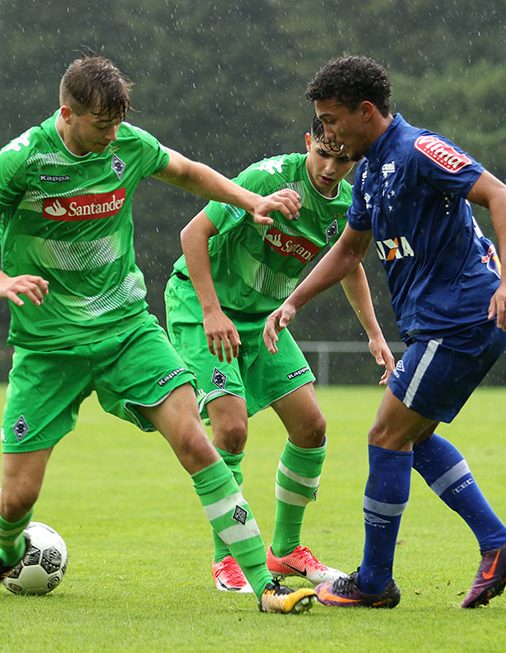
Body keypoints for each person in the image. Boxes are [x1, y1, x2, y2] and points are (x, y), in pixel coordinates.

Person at [0, 53, 317, 614]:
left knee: (196, 439)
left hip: (126, 330)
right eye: (100, 125)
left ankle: (266, 584)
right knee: (18, 496)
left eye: (118, 123)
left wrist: (252, 200)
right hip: (49, 347)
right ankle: (7, 548)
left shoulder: (126, 145)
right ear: (66, 113)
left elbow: (188, 171)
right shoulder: (19, 161)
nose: (112, 135)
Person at [263, 55, 506, 609]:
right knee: (415, 436)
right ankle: (497, 542)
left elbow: (503, 197)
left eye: (332, 119)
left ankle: (373, 582)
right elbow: (349, 249)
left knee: (386, 435)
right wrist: (294, 300)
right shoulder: (367, 172)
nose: (326, 132)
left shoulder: (417, 150)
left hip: (460, 319)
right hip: (441, 324)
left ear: (367, 111)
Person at [165, 117, 394, 594]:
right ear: (307, 143)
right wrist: (211, 312)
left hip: (260, 319)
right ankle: (226, 559)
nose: (331, 168)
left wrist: (374, 334)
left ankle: (286, 550)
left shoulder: (349, 204)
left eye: (344, 159)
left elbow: (348, 263)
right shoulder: (267, 179)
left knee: (311, 428)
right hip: (201, 306)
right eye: (323, 155)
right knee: (230, 429)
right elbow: (192, 235)